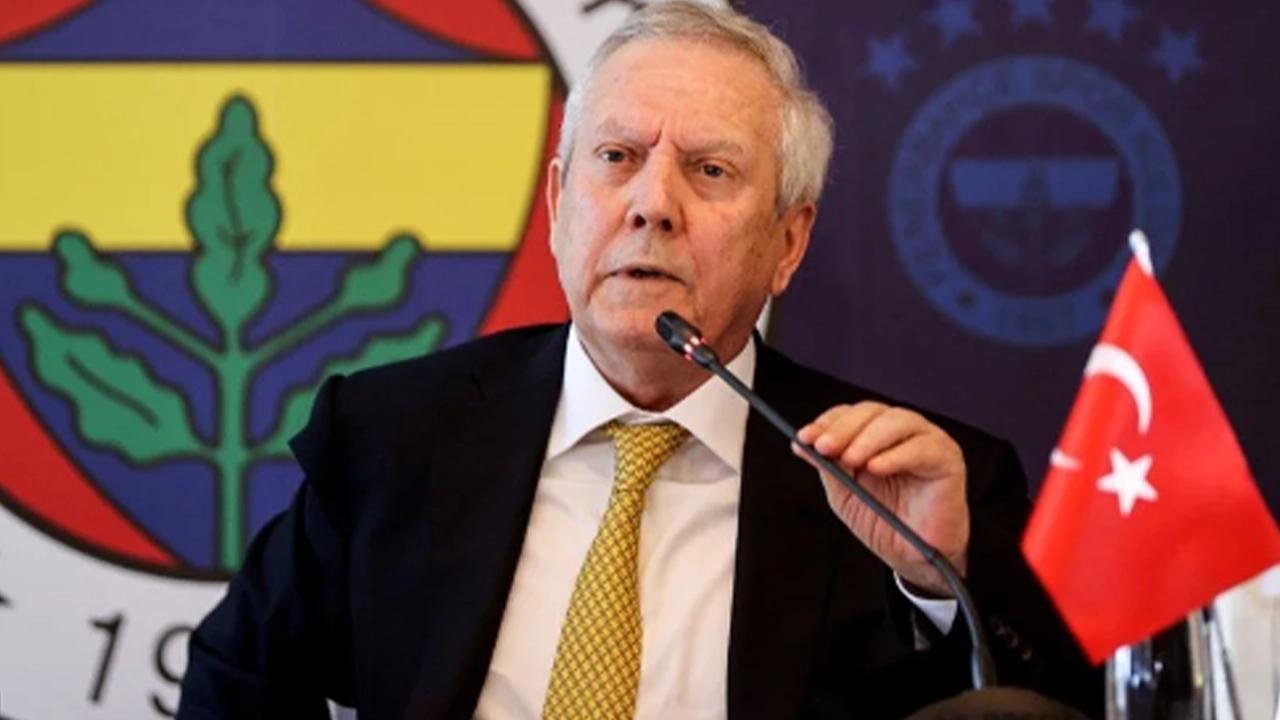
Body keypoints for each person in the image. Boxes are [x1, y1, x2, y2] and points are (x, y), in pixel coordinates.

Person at [178, 3, 1099, 718]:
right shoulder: (391, 437)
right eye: (617, 157)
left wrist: (939, 579)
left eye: (709, 171)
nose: (651, 205)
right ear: (558, 205)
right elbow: (234, 685)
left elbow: (1051, 709)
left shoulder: (900, 485)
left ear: (788, 242)